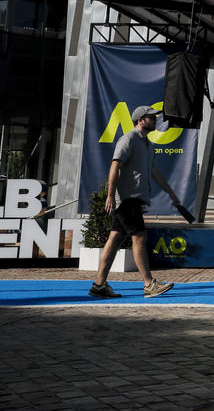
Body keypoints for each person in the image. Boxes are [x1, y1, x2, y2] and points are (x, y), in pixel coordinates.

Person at [88, 105, 182, 299]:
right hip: (126, 199)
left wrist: (171, 192)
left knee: (114, 240)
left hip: (134, 200)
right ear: (140, 120)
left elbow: (155, 172)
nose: (155, 120)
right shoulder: (129, 139)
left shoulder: (148, 145)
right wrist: (110, 195)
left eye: (155, 118)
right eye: (151, 118)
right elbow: (115, 164)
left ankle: (99, 285)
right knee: (139, 237)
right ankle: (149, 284)